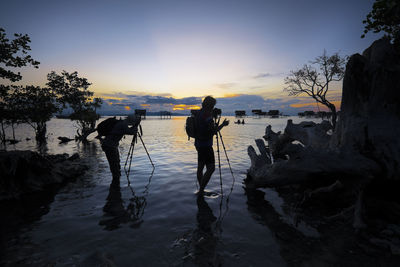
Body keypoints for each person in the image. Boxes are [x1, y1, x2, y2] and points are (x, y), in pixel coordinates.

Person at [195, 96, 229, 194]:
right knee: (211, 168)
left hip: (198, 144)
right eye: (213, 105)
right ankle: (201, 190)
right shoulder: (207, 115)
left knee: (200, 168)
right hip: (206, 145)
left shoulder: (199, 113)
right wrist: (223, 125)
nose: (213, 107)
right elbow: (213, 131)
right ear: (210, 105)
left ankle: (201, 190)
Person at [100, 114, 141, 185]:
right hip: (110, 146)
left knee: (116, 163)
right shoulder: (123, 125)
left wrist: (135, 125)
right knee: (114, 164)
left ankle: (116, 184)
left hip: (111, 145)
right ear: (131, 121)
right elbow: (132, 132)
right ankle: (116, 183)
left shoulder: (122, 123)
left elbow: (129, 131)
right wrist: (136, 125)